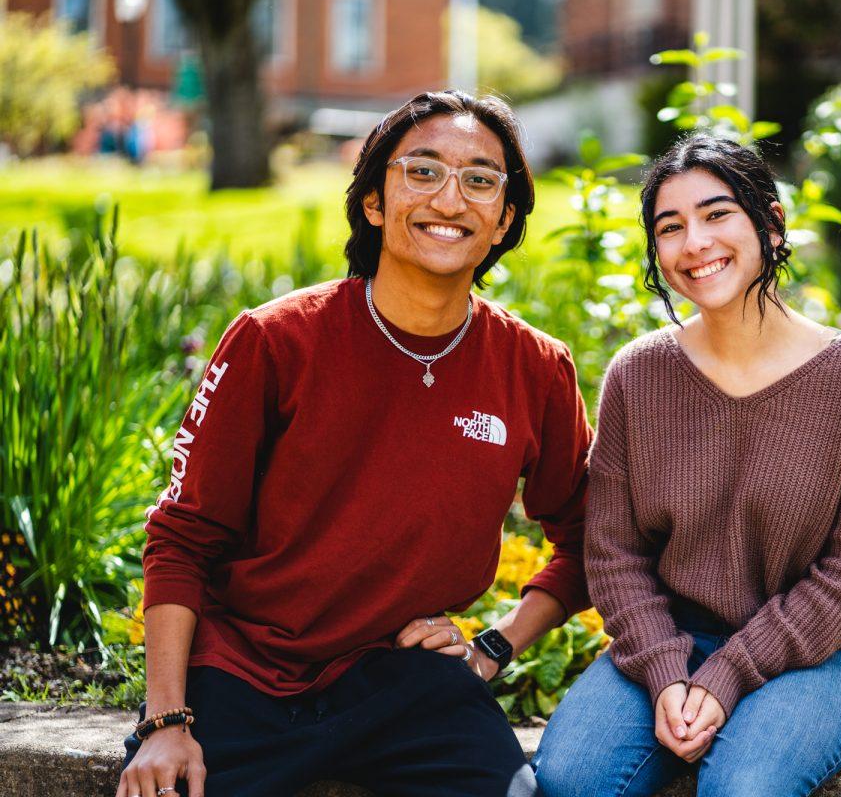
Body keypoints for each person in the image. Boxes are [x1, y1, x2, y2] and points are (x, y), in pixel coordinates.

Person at [116, 91, 592, 797]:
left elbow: (590, 536)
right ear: (373, 201)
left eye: (481, 180)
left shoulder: (534, 367)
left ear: (504, 220)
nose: (450, 199)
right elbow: (182, 537)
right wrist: (166, 722)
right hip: (245, 670)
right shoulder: (275, 340)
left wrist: (497, 643)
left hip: (405, 679)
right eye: (422, 172)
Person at [533, 134, 841, 797]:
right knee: (570, 780)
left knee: (744, 789)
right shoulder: (637, 376)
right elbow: (614, 554)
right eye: (669, 227)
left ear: (771, 221)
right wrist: (665, 670)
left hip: (821, 655)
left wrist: (730, 672)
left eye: (717, 214)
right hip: (670, 640)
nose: (694, 243)